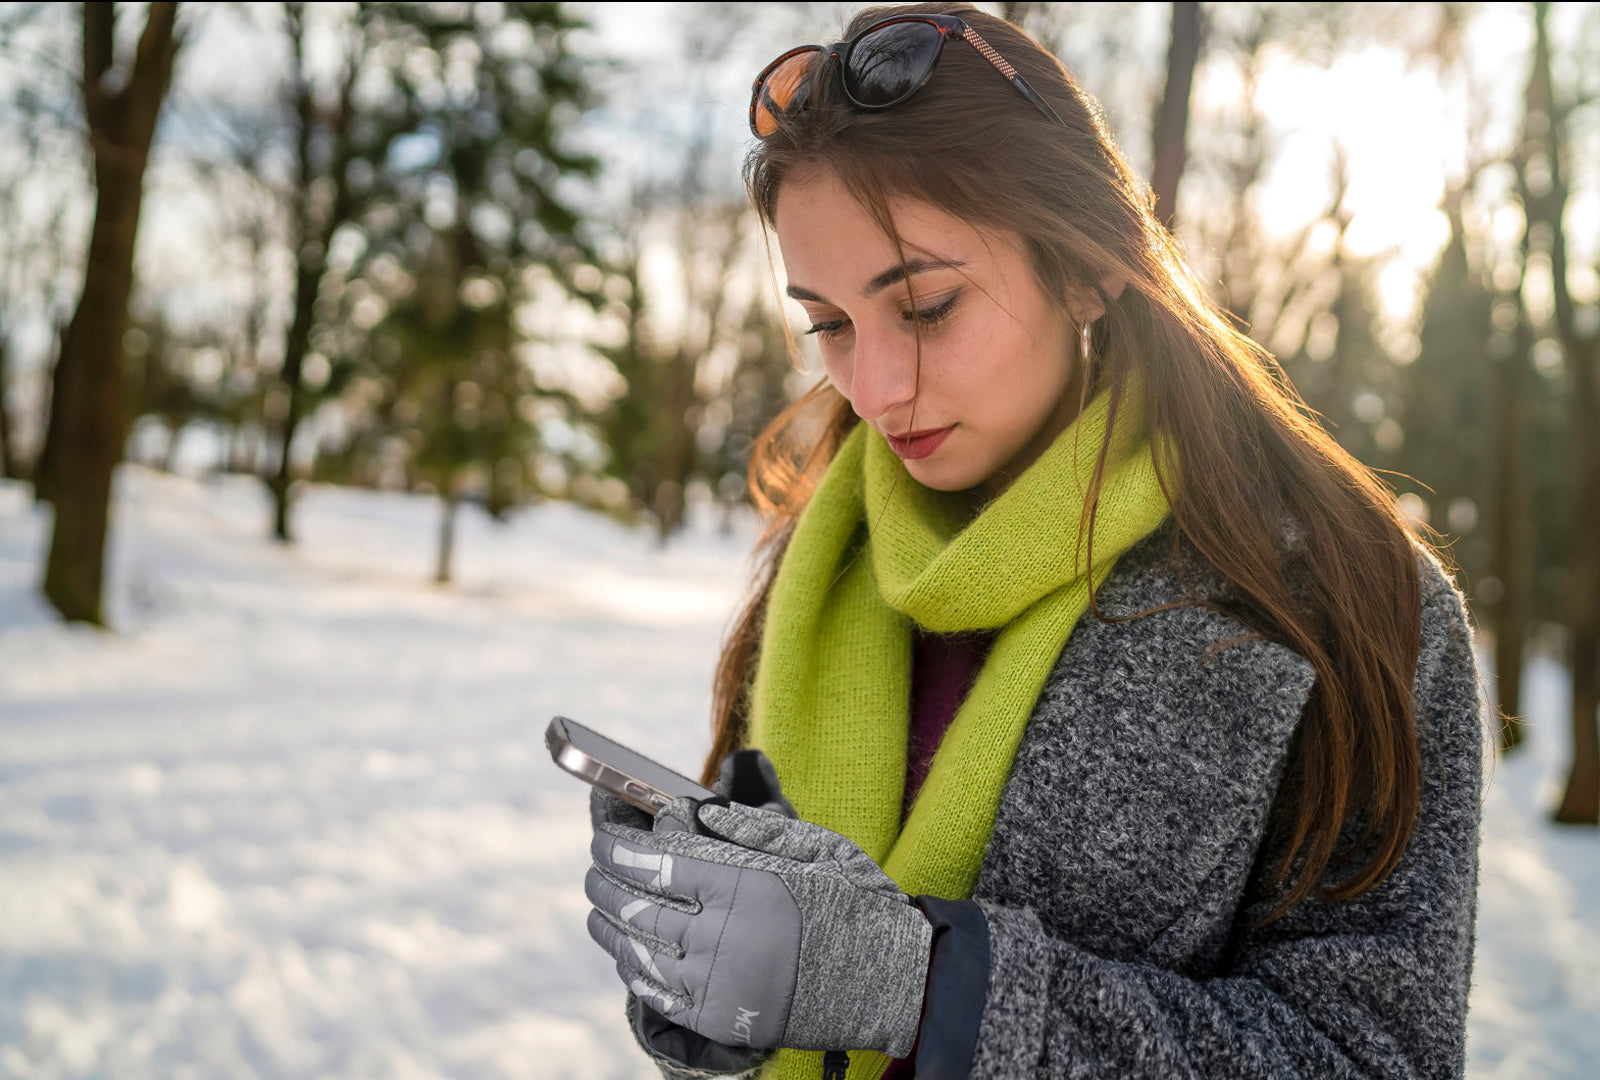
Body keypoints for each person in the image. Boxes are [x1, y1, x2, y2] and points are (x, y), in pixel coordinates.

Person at [581, 5, 1487, 1079]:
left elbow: (1370, 1054)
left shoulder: (1341, 600)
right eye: (828, 324)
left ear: (1089, 264)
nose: (871, 388)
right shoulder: (822, 561)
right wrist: (712, 973)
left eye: (923, 307)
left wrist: (919, 988)